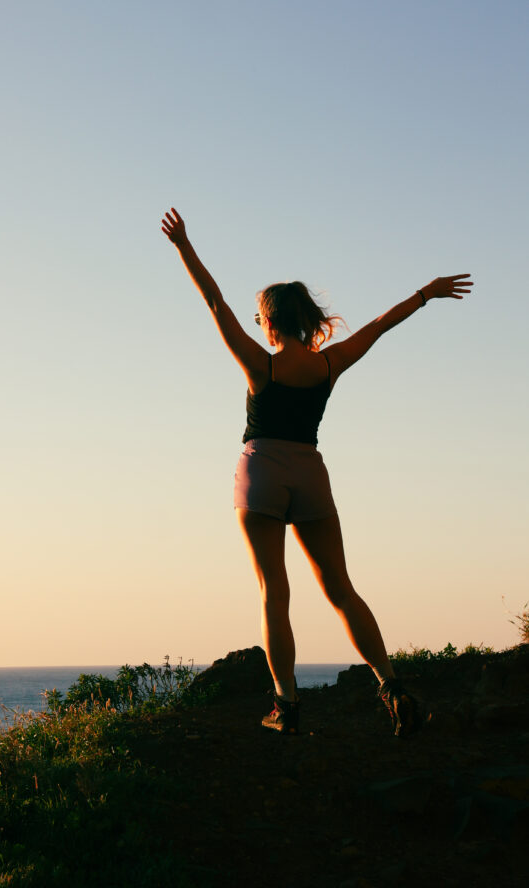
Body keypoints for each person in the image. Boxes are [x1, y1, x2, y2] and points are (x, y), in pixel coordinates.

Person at [161, 207, 473, 736]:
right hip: (310, 472)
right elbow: (378, 325)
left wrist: (184, 247)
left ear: (270, 321)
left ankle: (286, 706)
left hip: (261, 472)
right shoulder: (330, 364)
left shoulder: (261, 364)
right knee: (340, 589)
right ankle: (393, 688)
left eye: (259, 316)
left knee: (273, 594)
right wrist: (426, 293)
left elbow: (213, 300)